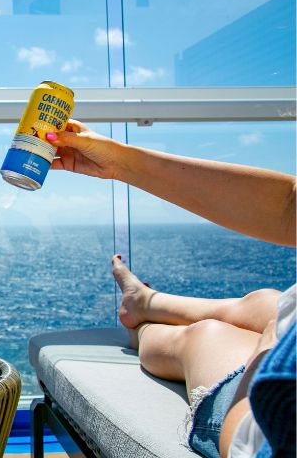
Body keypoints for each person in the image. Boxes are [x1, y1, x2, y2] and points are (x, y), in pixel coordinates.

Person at [46, 120, 296, 458]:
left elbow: (256, 443)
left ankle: (143, 329)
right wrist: (120, 161)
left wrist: (271, 341)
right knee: (266, 301)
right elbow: (288, 207)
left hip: (260, 423)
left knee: (205, 336)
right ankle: (147, 301)